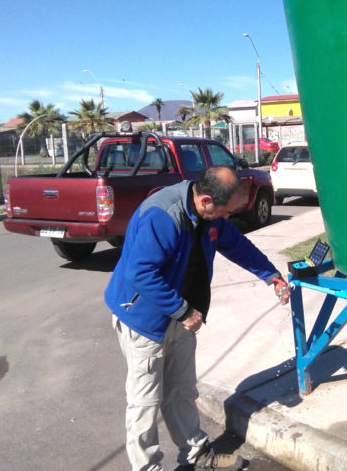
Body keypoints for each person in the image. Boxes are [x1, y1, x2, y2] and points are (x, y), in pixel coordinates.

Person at [104, 166, 289, 471]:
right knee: (145, 403)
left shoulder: (210, 214)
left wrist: (271, 275)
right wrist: (184, 311)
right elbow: (140, 274)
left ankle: (196, 454)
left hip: (182, 315)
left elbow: (237, 245)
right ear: (205, 201)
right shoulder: (162, 215)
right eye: (225, 212)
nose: (228, 218)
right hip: (144, 320)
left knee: (182, 391)